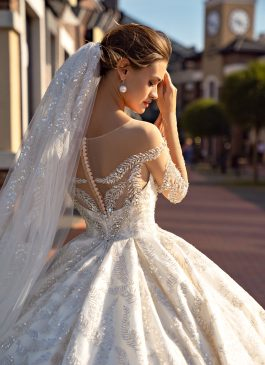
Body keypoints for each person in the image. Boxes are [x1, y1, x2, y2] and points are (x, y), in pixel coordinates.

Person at [0, 23, 264, 364]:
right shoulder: (143, 135)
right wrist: (169, 118)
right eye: (153, 81)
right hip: (143, 254)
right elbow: (177, 191)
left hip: (80, 261)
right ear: (124, 68)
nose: (156, 93)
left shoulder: (67, 142)